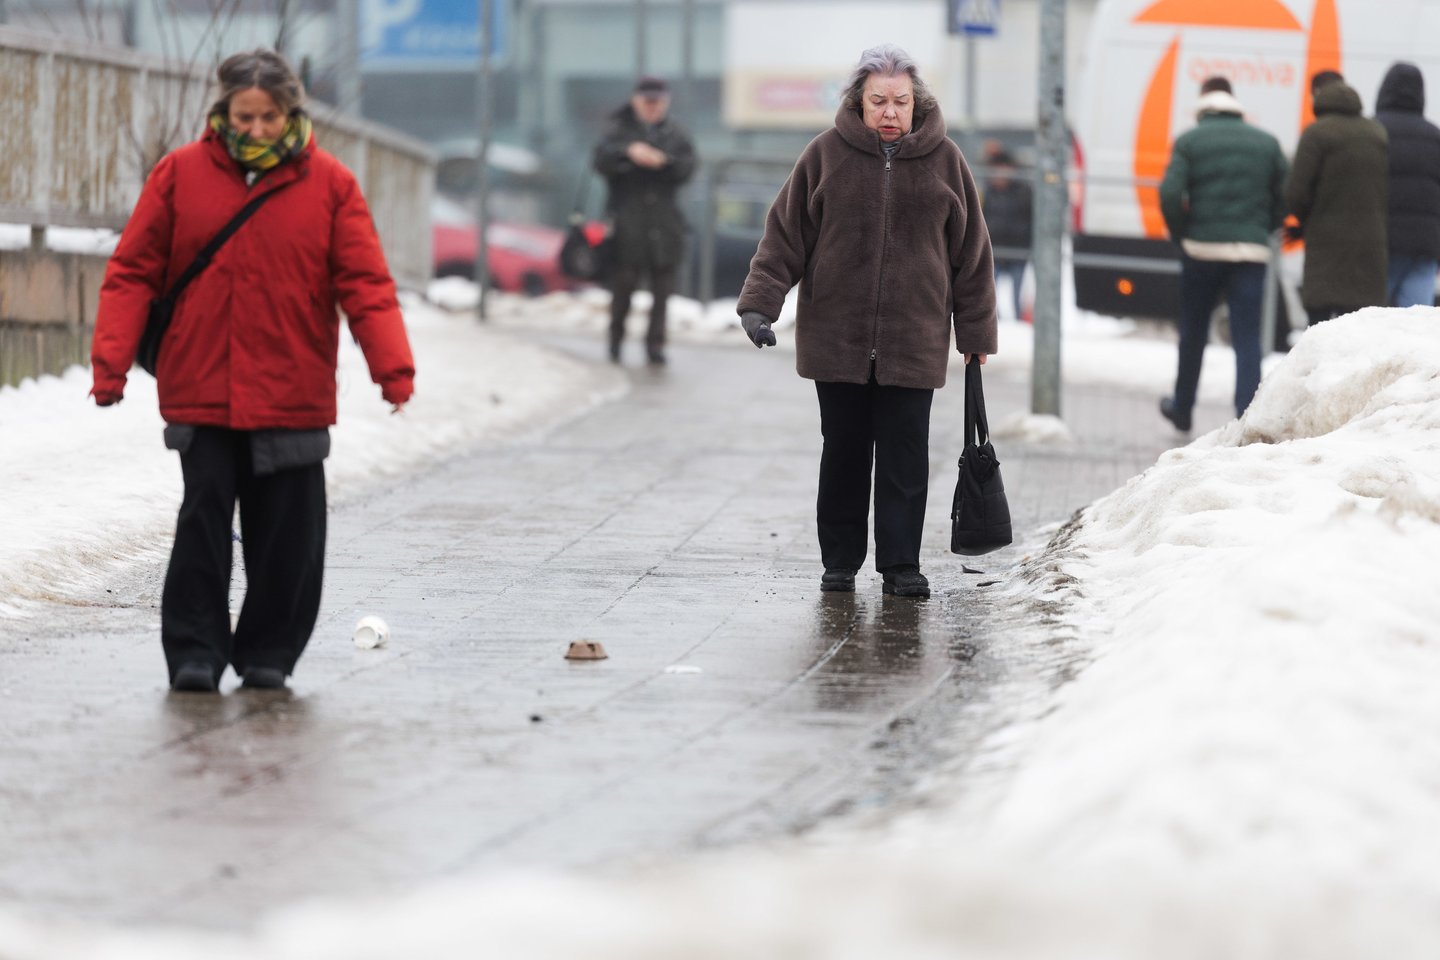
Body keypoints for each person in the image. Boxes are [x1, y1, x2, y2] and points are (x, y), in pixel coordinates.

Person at [90, 49, 415, 693]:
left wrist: (393, 370)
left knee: (289, 533)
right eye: (245, 116)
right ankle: (195, 654)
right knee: (202, 522)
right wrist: (111, 366)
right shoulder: (179, 174)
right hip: (201, 384)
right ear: (224, 111)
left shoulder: (331, 184)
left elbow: (366, 285)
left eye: (270, 117)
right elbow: (132, 272)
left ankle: (270, 652)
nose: (257, 129)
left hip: (293, 387)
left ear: (291, 113)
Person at [736, 44, 997, 599]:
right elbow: (784, 237)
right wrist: (759, 305)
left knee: (906, 457)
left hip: (915, 338)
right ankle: (840, 562)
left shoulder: (947, 160)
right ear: (859, 102)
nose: (889, 112)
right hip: (837, 337)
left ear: (916, 103)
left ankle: (901, 565)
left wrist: (976, 333)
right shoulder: (825, 155)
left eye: (900, 101)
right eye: (878, 101)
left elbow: (972, 256)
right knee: (844, 453)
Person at [1156, 76, 1288, 432]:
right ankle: (1246, 416)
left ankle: (1182, 408)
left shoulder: (1190, 140)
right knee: (1247, 337)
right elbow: (1286, 193)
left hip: (1201, 250)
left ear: (1203, 103)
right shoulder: (1266, 142)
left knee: (1193, 331)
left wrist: (1182, 233)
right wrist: (1266, 226)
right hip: (1250, 253)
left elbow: (1169, 193)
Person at [592, 75, 697, 366]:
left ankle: (655, 345)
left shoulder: (676, 134)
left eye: (657, 102)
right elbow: (599, 161)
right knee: (623, 287)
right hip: (627, 222)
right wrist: (628, 153)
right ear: (635, 101)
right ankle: (615, 341)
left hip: (665, 223)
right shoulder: (617, 131)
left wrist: (663, 161)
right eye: (647, 102)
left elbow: (687, 168)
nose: (653, 107)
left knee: (663, 290)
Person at [1284, 70, 1389, 326]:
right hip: (1370, 247)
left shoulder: (1316, 133)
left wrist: (1303, 222)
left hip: (1325, 248)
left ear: (1316, 94)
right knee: (1355, 332)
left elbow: (1296, 193)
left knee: (1320, 331)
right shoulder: (1377, 133)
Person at [1374, 62, 1440, 308]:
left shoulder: (1372, 131)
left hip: (1380, 243)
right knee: (1416, 320)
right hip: (1425, 245)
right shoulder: (1435, 137)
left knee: (1372, 318)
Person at [981, 147, 1033, 322]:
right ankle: (996, 321)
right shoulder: (986, 192)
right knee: (989, 292)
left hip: (1018, 251)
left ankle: (1019, 322)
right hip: (994, 251)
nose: (998, 175)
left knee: (1018, 295)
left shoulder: (1024, 192)